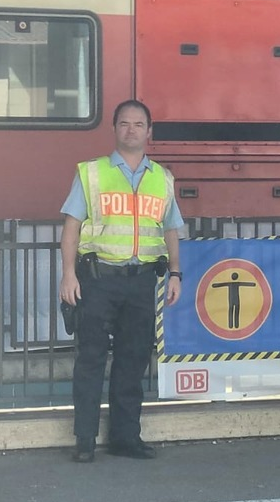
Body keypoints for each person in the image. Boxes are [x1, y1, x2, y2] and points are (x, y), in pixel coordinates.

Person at [59, 99, 185, 462]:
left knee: (133, 361)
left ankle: (125, 438)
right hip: (97, 279)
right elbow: (71, 228)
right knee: (91, 360)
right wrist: (68, 274)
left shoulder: (162, 178)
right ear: (114, 129)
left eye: (138, 124)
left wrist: (175, 273)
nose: (131, 130)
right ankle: (84, 440)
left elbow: (172, 230)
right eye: (125, 124)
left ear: (149, 132)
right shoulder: (92, 173)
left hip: (142, 281)